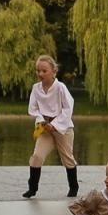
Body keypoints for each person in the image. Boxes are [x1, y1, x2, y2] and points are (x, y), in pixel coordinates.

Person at [24, 55, 76, 199]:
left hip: (63, 127)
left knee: (67, 158)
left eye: (44, 71)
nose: (40, 74)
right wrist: (42, 122)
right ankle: (32, 188)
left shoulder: (60, 87)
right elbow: (33, 109)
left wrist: (54, 125)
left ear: (54, 71)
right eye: (38, 71)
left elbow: (68, 108)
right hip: (44, 127)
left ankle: (73, 187)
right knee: (37, 156)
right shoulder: (36, 88)